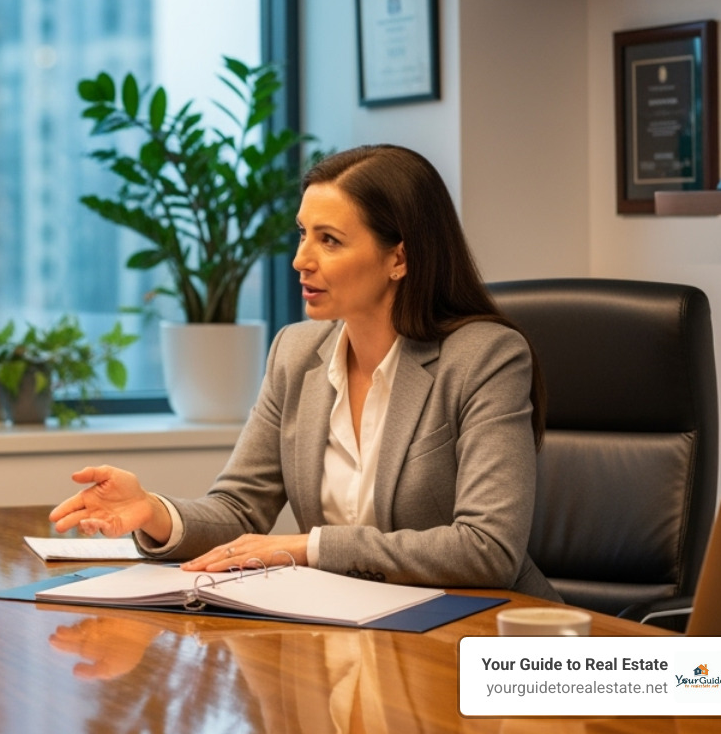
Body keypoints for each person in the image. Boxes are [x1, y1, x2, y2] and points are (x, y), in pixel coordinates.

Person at [50, 144, 558, 598]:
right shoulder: (295, 353)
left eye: (330, 240)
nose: (300, 260)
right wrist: (153, 512)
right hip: (353, 627)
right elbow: (239, 509)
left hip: (481, 640)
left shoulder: (485, 358)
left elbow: (487, 548)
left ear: (398, 258)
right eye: (302, 234)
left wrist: (309, 548)